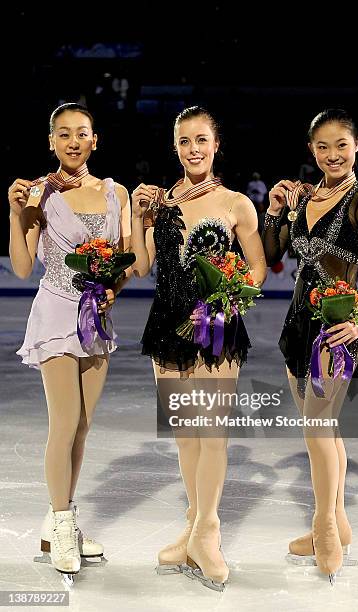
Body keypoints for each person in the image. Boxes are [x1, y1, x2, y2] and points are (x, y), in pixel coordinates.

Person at [263, 109, 358, 583]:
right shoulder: (306, 200)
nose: (333, 155)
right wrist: (275, 212)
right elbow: (269, 255)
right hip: (297, 327)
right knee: (326, 431)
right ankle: (337, 522)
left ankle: (324, 527)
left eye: (341, 144)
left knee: (317, 430)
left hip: (335, 331)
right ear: (312, 150)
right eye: (323, 146)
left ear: (357, 145)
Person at [131, 106, 266, 591]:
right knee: (186, 435)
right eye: (185, 140)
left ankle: (208, 531)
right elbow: (142, 266)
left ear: (216, 144)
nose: (194, 148)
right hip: (166, 327)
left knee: (213, 435)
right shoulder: (159, 204)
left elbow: (256, 270)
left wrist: (224, 304)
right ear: (175, 147)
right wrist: (135, 213)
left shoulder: (236, 204)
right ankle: (192, 528)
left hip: (218, 329)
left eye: (202, 139)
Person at [8, 103, 131, 581]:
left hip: (95, 320)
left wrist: (110, 293)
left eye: (82, 133)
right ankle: (62, 525)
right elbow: (22, 267)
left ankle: (58, 516)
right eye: (63, 134)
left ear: (95, 140)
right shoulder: (40, 192)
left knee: (82, 426)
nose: (73, 141)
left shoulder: (114, 193)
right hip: (56, 310)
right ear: (51, 142)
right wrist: (15, 214)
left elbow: (124, 262)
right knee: (64, 422)